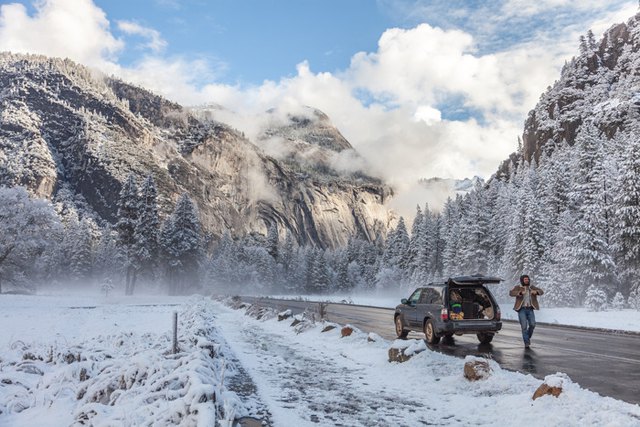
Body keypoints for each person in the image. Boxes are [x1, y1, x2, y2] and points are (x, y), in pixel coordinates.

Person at [509, 274, 544, 348]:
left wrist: (536, 292)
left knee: (532, 324)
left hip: (530, 309)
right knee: (524, 326)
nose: (527, 281)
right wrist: (520, 293)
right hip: (521, 309)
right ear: (522, 280)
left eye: (528, 279)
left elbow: (541, 291)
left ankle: (527, 337)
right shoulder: (518, 287)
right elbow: (511, 293)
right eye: (525, 279)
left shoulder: (532, 287)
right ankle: (526, 342)